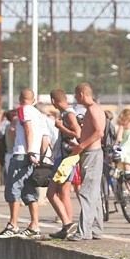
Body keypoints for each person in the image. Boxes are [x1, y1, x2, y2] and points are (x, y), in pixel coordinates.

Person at [0, 89, 47, 238]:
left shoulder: (23, 110)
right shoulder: (39, 114)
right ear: (34, 100)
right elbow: (45, 138)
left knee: (13, 188)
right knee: (28, 190)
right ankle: (34, 225)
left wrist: (29, 151)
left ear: (20, 99)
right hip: (34, 155)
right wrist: (40, 155)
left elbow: (28, 130)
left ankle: (13, 225)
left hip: (22, 154)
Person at [66, 82, 106, 241]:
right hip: (92, 153)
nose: (76, 99)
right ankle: (96, 229)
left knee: (87, 193)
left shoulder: (93, 110)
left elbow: (99, 133)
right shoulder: (94, 109)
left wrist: (81, 146)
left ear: (81, 94)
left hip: (92, 154)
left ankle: (84, 231)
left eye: (76, 96)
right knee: (93, 193)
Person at [47, 88, 81, 239]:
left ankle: (67, 223)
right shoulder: (67, 113)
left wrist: (60, 127)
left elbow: (77, 133)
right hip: (68, 158)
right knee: (64, 193)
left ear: (53, 101)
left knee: (51, 193)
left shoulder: (68, 114)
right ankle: (67, 227)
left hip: (65, 159)